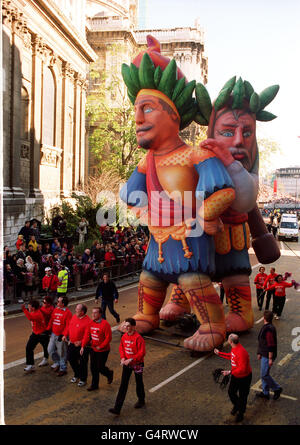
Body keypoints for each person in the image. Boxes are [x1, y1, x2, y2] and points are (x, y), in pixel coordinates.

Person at [119, 36, 236, 351]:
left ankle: (212, 325)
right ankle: (147, 315)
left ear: (174, 116)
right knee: (149, 280)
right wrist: (144, 213)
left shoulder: (196, 155)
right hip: (157, 241)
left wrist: (205, 215)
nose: (138, 118)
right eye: (136, 109)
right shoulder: (147, 161)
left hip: (190, 240)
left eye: (147, 109)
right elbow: (131, 194)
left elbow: (222, 190)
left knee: (191, 280)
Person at [109, 318, 146, 415]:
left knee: (139, 382)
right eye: (125, 326)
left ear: (133, 327)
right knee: (123, 385)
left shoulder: (138, 338)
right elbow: (122, 347)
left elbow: (142, 352)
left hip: (137, 364)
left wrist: (131, 359)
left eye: (128, 326)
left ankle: (141, 400)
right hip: (127, 364)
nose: (126, 328)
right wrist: (122, 358)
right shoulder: (124, 336)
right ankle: (117, 408)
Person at [214, 333, 252, 423]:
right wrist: (219, 353)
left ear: (230, 341)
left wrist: (230, 372)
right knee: (231, 392)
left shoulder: (242, 352)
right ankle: (237, 406)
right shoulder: (235, 347)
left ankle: (241, 413)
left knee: (243, 396)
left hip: (244, 378)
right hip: (236, 375)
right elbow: (231, 356)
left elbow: (242, 369)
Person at [80, 307, 113, 391]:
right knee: (93, 367)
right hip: (93, 349)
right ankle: (94, 385)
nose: (93, 314)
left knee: (100, 367)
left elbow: (108, 338)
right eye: (92, 312)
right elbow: (87, 336)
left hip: (103, 350)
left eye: (95, 313)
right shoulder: (90, 323)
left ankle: (109, 373)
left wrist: (101, 346)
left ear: (100, 314)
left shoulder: (105, 324)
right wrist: (83, 346)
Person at [63, 304, 91, 387]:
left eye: (77, 309)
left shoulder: (88, 321)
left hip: (82, 346)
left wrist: (81, 342)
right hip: (72, 343)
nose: (75, 310)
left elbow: (88, 335)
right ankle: (77, 374)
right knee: (70, 358)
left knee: (83, 362)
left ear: (82, 312)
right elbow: (69, 327)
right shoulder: (74, 316)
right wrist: (65, 335)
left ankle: (83, 379)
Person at [257, 310, 282, 400]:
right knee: (264, 373)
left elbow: (270, 344)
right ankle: (265, 392)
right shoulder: (268, 327)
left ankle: (277, 388)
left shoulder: (268, 329)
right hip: (264, 354)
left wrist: (270, 358)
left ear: (264, 318)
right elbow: (262, 342)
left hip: (267, 355)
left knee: (264, 375)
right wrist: (259, 352)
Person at [47, 295, 72, 376]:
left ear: (63, 304)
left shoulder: (68, 313)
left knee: (62, 353)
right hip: (54, 334)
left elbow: (68, 325)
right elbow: (51, 319)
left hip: (61, 335)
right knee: (50, 350)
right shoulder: (56, 309)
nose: (57, 302)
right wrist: (48, 329)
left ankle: (63, 368)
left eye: (58, 301)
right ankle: (57, 363)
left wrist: (64, 335)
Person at [22, 300, 50, 372]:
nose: (28, 308)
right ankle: (30, 365)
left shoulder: (37, 314)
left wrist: (24, 309)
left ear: (33, 308)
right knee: (29, 347)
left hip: (42, 334)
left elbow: (30, 318)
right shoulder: (34, 312)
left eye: (29, 307)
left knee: (46, 347)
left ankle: (47, 359)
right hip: (35, 333)